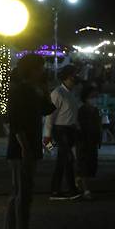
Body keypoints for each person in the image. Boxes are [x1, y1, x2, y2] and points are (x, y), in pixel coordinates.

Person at [2, 55, 56, 229]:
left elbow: (48, 109)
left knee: (18, 193)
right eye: (39, 68)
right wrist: (25, 147)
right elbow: (16, 122)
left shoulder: (31, 91)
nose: (42, 71)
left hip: (26, 148)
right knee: (23, 194)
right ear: (31, 70)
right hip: (22, 150)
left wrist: (44, 90)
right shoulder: (21, 91)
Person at [44, 65, 82, 201]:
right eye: (74, 74)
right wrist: (47, 137)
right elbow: (50, 116)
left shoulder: (70, 93)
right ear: (67, 76)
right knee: (68, 159)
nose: (76, 77)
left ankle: (56, 190)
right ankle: (71, 189)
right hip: (61, 130)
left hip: (69, 130)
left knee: (62, 161)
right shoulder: (57, 93)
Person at [76, 87, 101, 200]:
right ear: (86, 98)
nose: (95, 99)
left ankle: (79, 181)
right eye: (92, 97)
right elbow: (79, 126)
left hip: (92, 142)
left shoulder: (95, 110)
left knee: (91, 166)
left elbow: (97, 125)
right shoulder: (82, 110)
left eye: (96, 96)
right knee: (84, 166)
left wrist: (98, 139)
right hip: (83, 141)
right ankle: (86, 189)